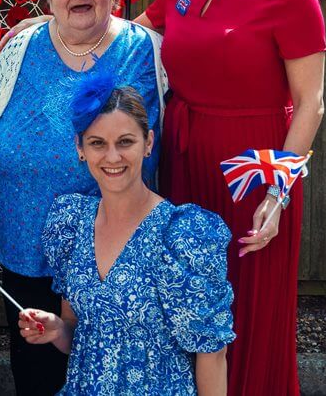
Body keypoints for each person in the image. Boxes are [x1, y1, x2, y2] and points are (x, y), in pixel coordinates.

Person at [139, 0, 326, 395]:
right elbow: (126, 44)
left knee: (247, 302)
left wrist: (279, 191)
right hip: (183, 158)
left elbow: (310, 102)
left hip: (255, 167)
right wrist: (40, 31)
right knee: (188, 299)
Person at [0, 0, 165, 395]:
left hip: (113, 244)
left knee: (112, 366)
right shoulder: (20, 46)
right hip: (27, 239)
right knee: (36, 367)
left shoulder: (146, 49)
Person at [20, 73, 234, 395]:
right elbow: (77, 335)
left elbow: (213, 354)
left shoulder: (182, 235)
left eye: (125, 141)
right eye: (97, 143)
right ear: (80, 148)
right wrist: (55, 330)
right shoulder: (71, 223)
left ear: (148, 143)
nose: (112, 157)